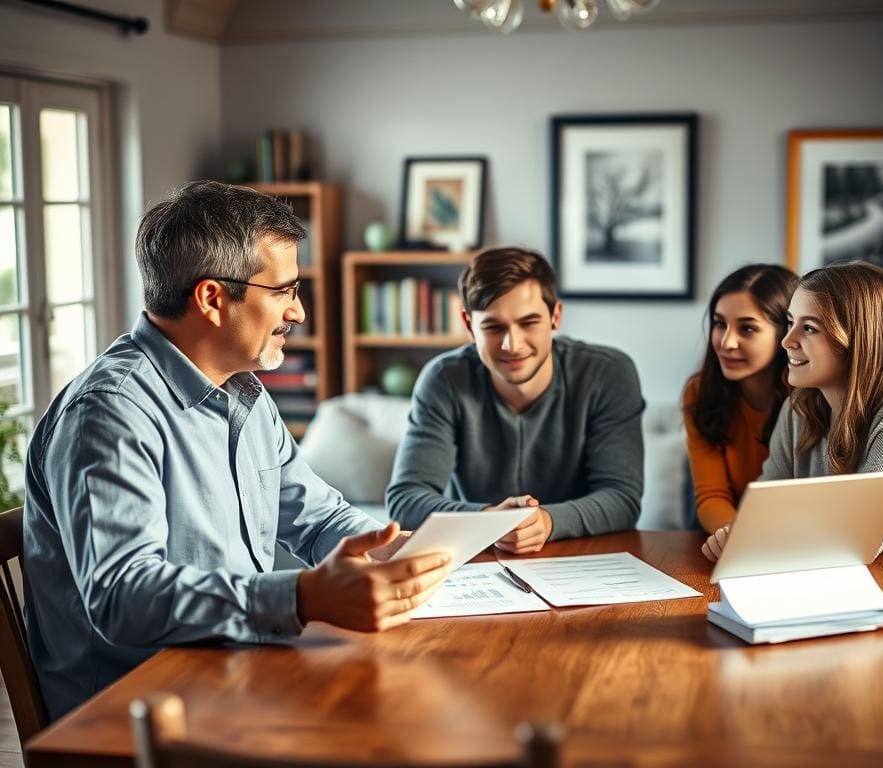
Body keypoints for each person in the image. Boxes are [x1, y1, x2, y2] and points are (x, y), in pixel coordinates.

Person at [23, 181, 451, 719]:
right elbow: (122, 595)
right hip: (133, 714)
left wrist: (398, 550)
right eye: (283, 291)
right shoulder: (107, 414)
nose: (298, 312)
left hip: (237, 673)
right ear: (211, 298)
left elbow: (315, 518)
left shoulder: (242, 390)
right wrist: (301, 597)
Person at [386, 246, 645, 553]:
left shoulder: (608, 374)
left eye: (528, 323)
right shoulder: (443, 379)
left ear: (555, 317)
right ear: (469, 326)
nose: (512, 344)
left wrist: (548, 521)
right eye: (494, 327)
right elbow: (405, 499)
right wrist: (487, 521)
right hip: (478, 560)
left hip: (582, 557)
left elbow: (621, 497)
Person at [702, 261, 883, 561]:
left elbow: (860, 537)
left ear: (860, 338)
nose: (787, 341)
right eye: (790, 322)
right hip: (821, 583)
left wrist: (762, 538)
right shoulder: (797, 408)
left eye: (809, 328)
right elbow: (760, 516)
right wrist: (737, 537)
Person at [684, 264, 798, 534]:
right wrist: (741, 541)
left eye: (747, 329)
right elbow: (711, 497)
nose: (726, 342)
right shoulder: (699, 392)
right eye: (720, 324)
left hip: (794, 539)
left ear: (786, 334)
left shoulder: (811, 399)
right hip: (727, 535)